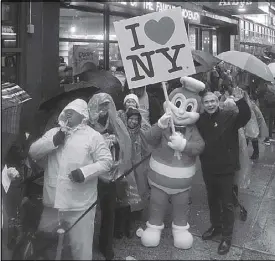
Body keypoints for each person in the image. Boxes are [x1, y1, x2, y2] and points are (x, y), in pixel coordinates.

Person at [29, 99, 112, 260]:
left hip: (80, 205)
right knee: (44, 245)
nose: (68, 112)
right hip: (53, 204)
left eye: (72, 110)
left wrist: (84, 172)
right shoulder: (54, 133)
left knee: (80, 248)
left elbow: (106, 161)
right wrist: (53, 141)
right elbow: (33, 152)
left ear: (83, 115)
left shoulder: (93, 136)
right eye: (66, 109)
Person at [196, 88, 251, 255]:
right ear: (203, 105)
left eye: (213, 101)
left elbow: (245, 117)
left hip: (226, 168)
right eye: (206, 102)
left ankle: (227, 237)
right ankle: (216, 227)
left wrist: (241, 101)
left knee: (227, 204)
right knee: (212, 200)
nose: (210, 104)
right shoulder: (200, 119)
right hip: (208, 167)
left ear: (217, 102)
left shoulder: (228, 115)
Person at [88, 93, 132, 260]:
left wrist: (115, 142)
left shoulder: (114, 122)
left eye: (107, 105)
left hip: (111, 173)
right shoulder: (87, 123)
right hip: (93, 174)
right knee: (90, 212)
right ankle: (86, 244)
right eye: (101, 105)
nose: (104, 109)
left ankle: (106, 245)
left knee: (109, 211)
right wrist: (100, 142)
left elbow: (125, 141)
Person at [115, 107, 150, 239]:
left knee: (133, 199)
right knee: (122, 198)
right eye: (131, 118)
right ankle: (118, 227)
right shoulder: (121, 133)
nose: (134, 122)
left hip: (137, 170)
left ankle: (128, 225)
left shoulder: (140, 133)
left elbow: (147, 149)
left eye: (136, 119)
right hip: (123, 169)